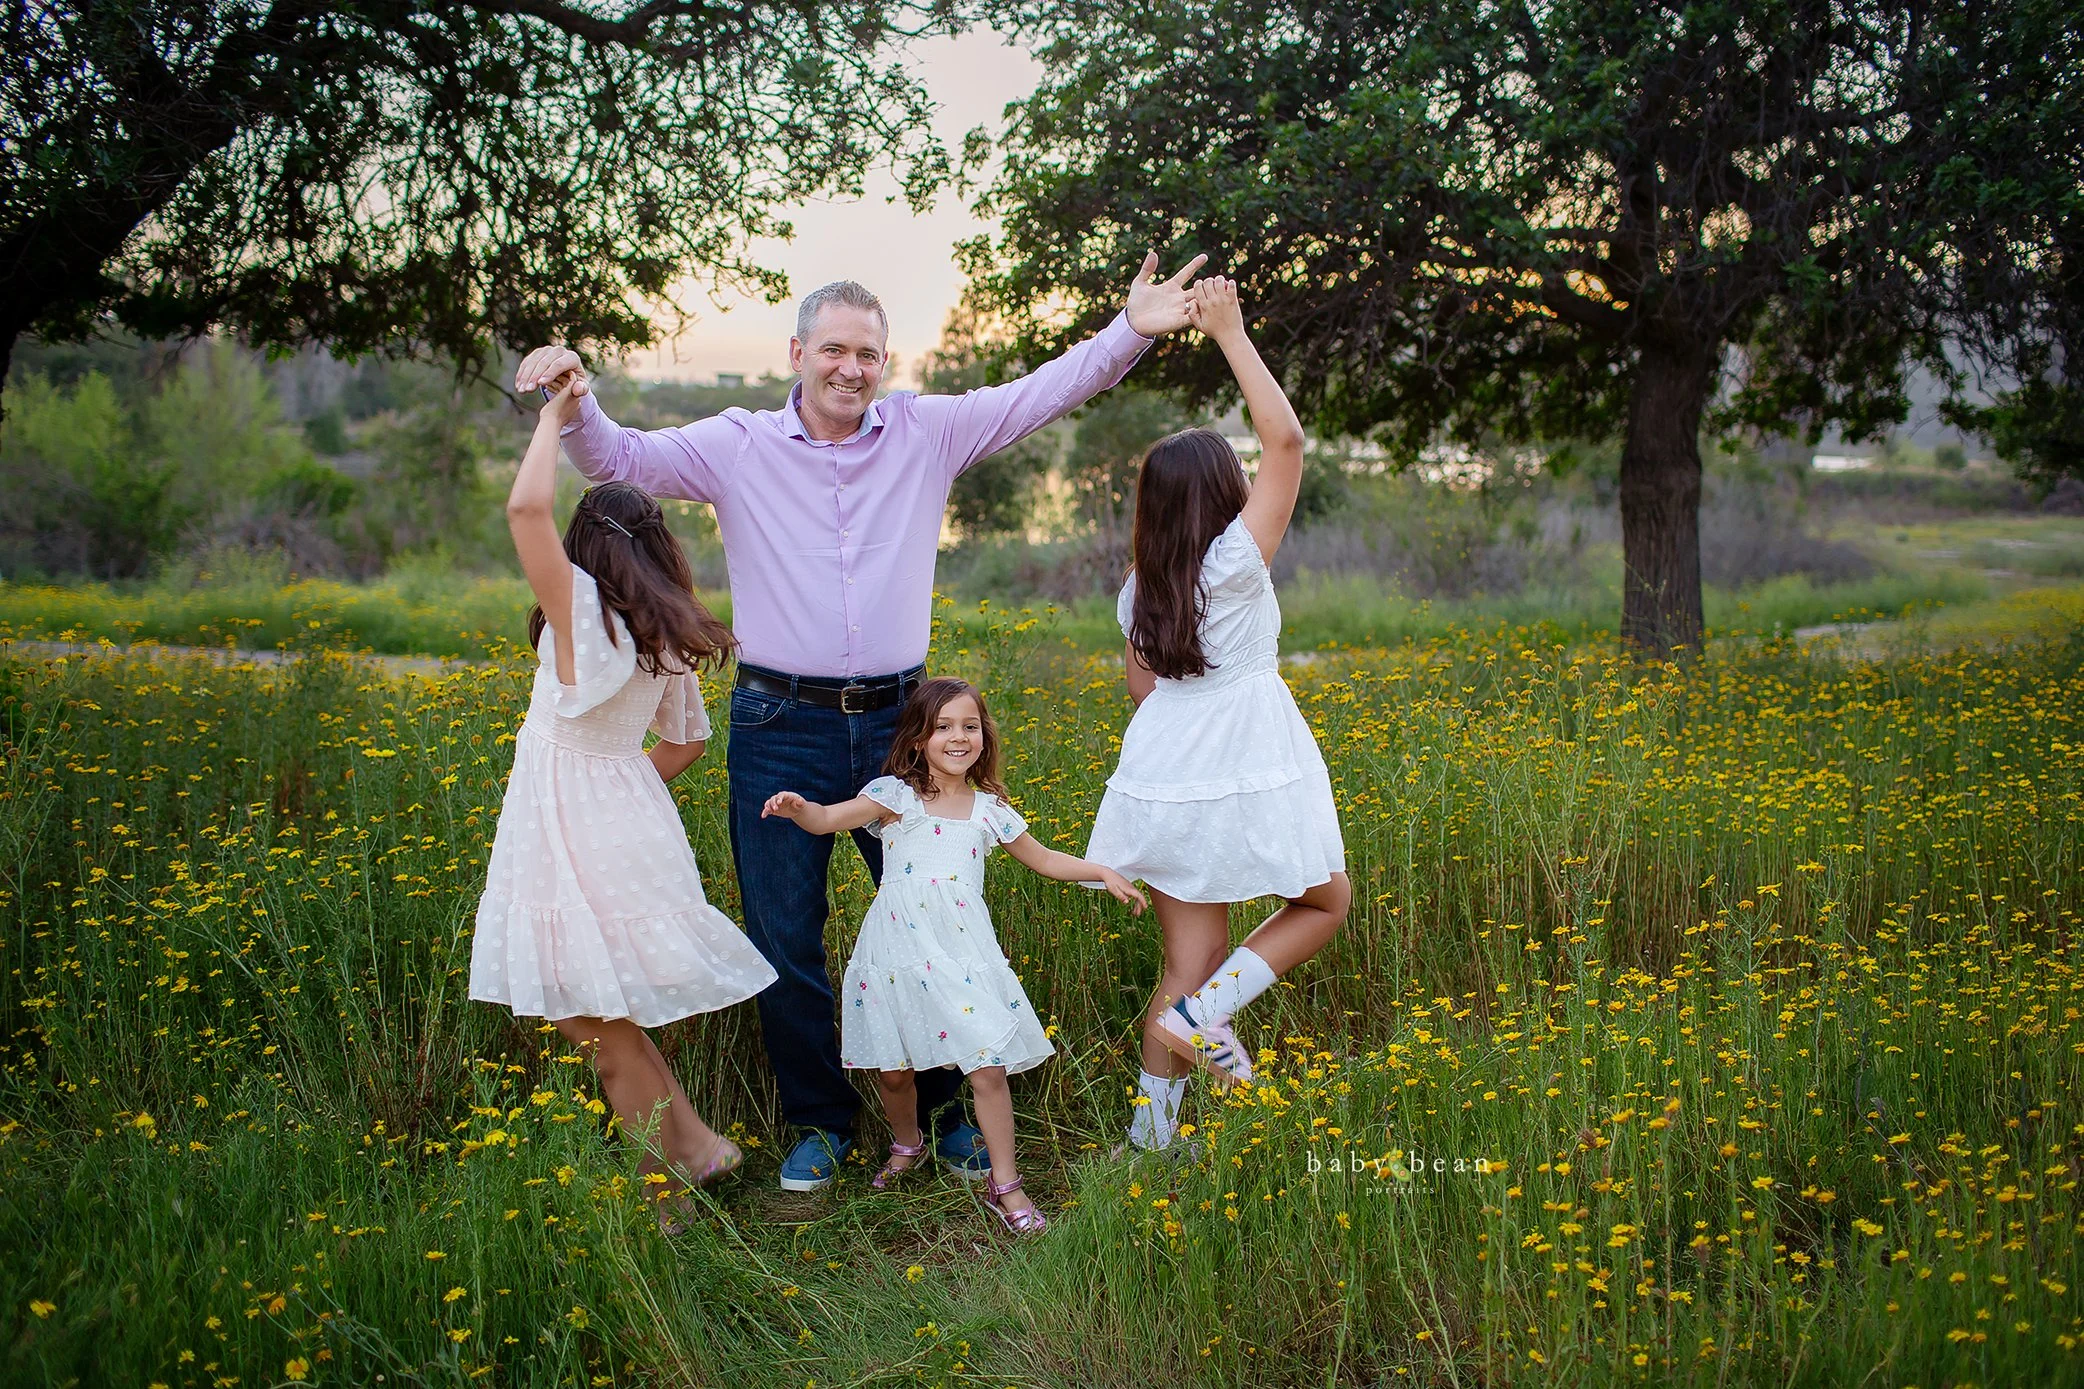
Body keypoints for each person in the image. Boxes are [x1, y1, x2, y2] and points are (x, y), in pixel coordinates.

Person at [513, 251, 1207, 1191]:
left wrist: (1131, 330)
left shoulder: (929, 432)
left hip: (902, 727)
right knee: (784, 935)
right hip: (777, 718)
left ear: (887, 361)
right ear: (796, 352)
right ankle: (819, 1120)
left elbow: (1043, 393)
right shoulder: (736, 443)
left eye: (869, 353)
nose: (851, 367)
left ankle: (950, 1114)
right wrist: (573, 396)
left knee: (936, 923)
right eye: (833, 349)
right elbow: (618, 456)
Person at [470, 371, 779, 1229]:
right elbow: (684, 744)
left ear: (586, 548)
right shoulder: (658, 633)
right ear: (654, 548)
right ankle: (698, 1144)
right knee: (602, 1016)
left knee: (596, 1025)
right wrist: (620, 779)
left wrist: (551, 420)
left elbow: (525, 513)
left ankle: (665, 1199)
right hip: (624, 821)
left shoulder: (582, 610)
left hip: (572, 831)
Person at [1083, 278, 1352, 1153]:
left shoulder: (1138, 591)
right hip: (1243, 752)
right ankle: (1208, 1013)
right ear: (1223, 495)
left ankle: (1152, 1139)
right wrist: (1231, 333)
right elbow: (1287, 437)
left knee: (1184, 959)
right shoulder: (1237, 561)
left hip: (1166, 766)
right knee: (1325, 899)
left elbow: (1142, 692)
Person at [760, 678, 1146, 1233]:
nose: (957, 737)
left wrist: (1104, 871)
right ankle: (908, 1141)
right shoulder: (894, 796)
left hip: (960, 952)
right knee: (894, 1073)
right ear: (918, 738)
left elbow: (1045, 860)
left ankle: (1006, 1186)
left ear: (984, 738)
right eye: (942, 727)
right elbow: (827, 820)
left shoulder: (990, 810)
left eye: (969, 726)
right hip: (895, 951)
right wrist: (800, 808)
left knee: (986, 1064)